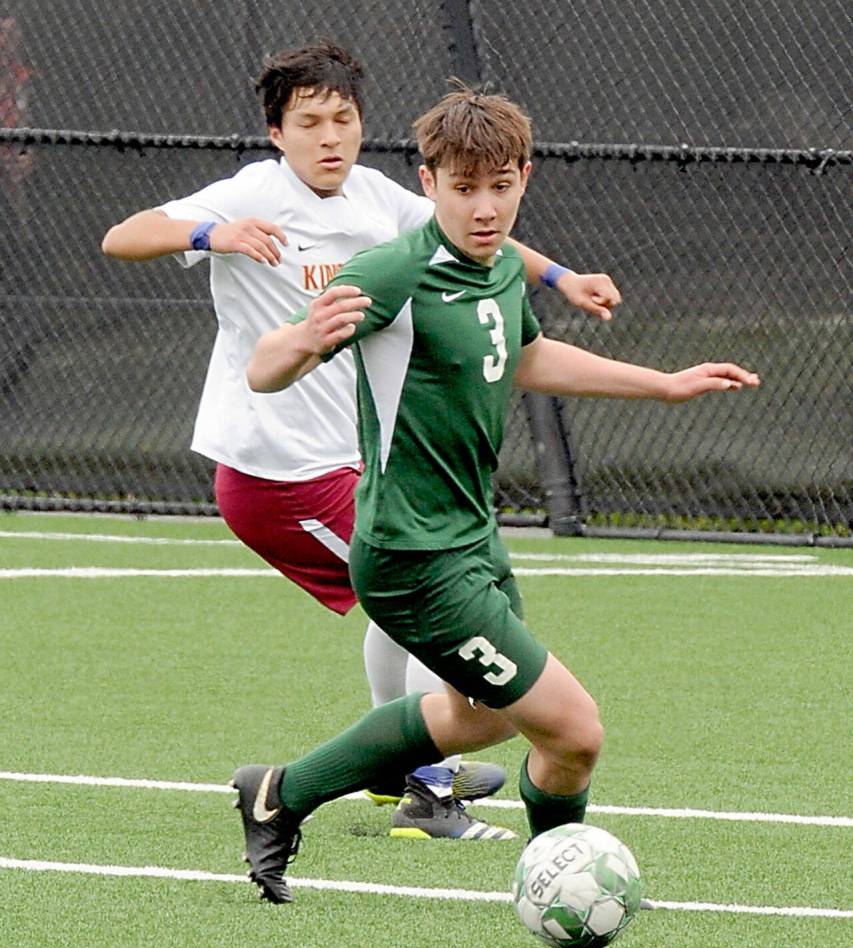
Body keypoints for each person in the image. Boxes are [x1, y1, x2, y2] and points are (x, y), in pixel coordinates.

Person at [235, 84, 760, 903]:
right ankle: (556, 880)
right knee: (573, 729)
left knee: (483, 718)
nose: (485, 207)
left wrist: (662, 385)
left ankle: (279, 791)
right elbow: (264, 370)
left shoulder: (499, 267)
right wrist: (300, 339)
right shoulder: (394, 271)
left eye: (501, 186)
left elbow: (524, 359)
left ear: (524, 177)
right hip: (413, 556)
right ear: (427, 182)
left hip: (471, 541)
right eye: (464, 187)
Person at [101, 42, 622, 839]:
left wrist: (558, 279)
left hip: (345, 460)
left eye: (342, 118)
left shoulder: (376, 198)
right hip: (277, 473)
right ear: (277, 133)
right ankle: (418, 786)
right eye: (308, 122)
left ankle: (402, 768)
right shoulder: (252, 191)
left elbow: (475, 228)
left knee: (406, 611)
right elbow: (124, 236)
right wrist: (212, 235)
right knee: (425, 595)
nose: (329, 137)